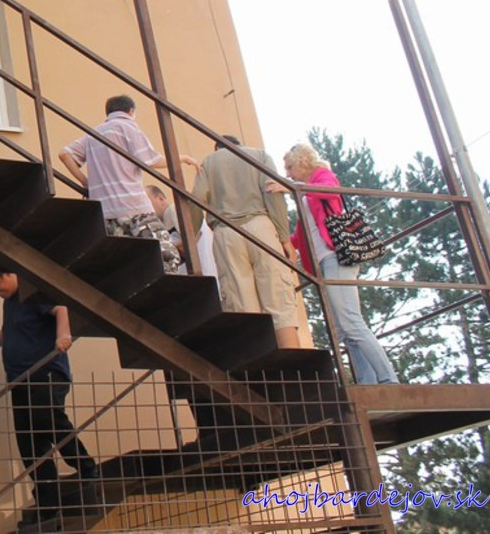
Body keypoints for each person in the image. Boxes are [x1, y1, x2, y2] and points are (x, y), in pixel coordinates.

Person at [0, 270, 98, 532]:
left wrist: (62, 335)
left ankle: (87, 467)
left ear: (9, 274)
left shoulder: (32, 290)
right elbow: (8, 332)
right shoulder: (9, 303)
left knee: (47, 418)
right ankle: (48, 499)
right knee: (29, 442)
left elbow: (61, 309)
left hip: (45, 373)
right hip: (19, 381)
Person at [282, 143, 398, 384]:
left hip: (336, 256)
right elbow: (304, 232)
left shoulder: (321, 176)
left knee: (351, 322)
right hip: (325, 260)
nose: (288, 174)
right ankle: (368, 384)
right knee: (344, 329)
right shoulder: (305, 192)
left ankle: (388, 380)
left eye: (290, 167)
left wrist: (295, 188)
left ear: (302, 162)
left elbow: (331, 190)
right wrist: (284, 241)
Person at [59, 95, 193, 274]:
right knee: (168, 256)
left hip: (107, 214)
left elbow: (64, 154)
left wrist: (86, 182)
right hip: (135, 210)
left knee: (128, 264)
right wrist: (182, 158)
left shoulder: (93, 133)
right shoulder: (128, 127)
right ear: (131, 111)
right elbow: (151, 160)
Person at [191, 136, 301, 349]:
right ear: (239, 144)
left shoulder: (209, 162)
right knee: (280, 306)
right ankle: (296, 365)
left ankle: (260, 367)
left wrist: (191, 234)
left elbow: (197, 196)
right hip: (261, 228)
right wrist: (284, 238)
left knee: (243, 308)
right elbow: (273, 194)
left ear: (217, 148)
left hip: (226, 232)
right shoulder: (259, 155)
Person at [145, 185, 181, 250]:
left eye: (146, 202)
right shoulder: (162, 224)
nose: (145, 207)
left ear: (161, 199)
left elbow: (190, 240)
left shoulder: (174, 210)